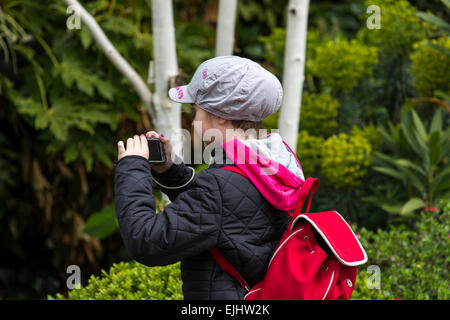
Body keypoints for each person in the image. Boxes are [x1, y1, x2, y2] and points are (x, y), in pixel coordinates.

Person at [114, 56, 305, 300]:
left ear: (221, 115)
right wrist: (170, 169)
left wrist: (132, 165)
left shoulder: (221, 186)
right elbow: (223, 213)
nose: (193, 122)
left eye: (196, 111)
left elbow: (146, 240)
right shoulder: (275, 163)